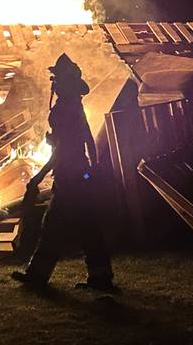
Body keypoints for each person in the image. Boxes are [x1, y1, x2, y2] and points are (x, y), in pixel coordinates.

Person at [11, 53, 117, 292]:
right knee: (87, 226)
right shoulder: (76, 106)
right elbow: (88, 139)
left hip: (69, 178)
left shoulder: (61, 111)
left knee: (53, 226)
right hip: (80, 174)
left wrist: (37, 178)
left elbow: (61, 151)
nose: (54, 83)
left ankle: (37, 275)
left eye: (57, 80)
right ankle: (101, 277)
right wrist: (92, 168)